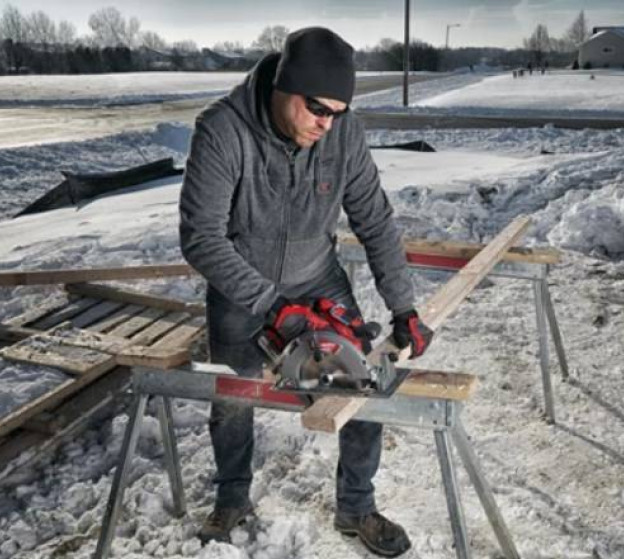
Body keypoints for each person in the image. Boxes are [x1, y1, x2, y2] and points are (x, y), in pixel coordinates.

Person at [179, 27, 434, 558]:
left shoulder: (342, 134)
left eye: (338, 111)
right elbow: (200, 238)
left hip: (318, 276)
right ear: (283, 86)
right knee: (233, 394)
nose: (327, 122)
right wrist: (272, 307)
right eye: (318, 108)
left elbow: (376, 221)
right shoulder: (223, 130)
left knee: (361, 377)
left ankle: (356, 506)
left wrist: (404, 306)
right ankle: (232, 499)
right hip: (241, 286)